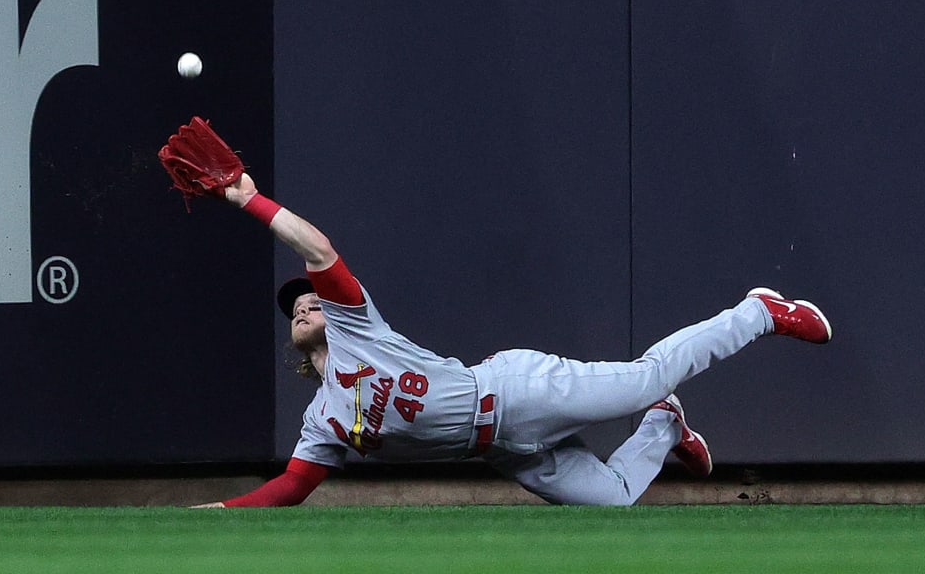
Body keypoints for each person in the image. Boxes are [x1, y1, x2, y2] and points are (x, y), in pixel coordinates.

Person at [191, 172, 831, 507]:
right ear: (293, 341)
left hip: (513, 393)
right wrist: (224, 511)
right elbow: (292, 486)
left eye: (310, 300)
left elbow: (318, 250)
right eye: (294, 309)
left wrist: (250, 200)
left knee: (648, 377)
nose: (303, 305)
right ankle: (665, 426)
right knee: (611, 499)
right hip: (503, 451)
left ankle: (759, 312)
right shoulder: (321, 420)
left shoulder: (358, 328)